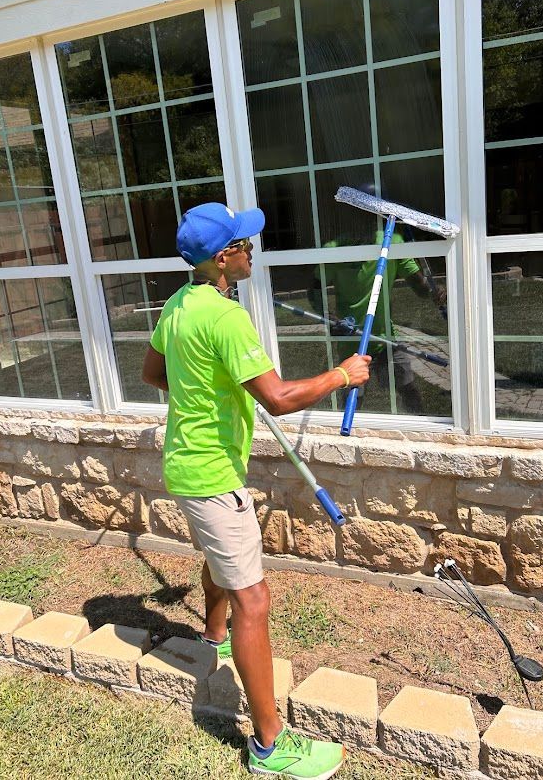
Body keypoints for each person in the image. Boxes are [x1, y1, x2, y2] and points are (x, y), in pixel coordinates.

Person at [142, 202, 370, 780]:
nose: (252, 253)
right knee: (255, 598)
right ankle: (270, 744)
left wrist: (207, 389)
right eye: (247, 246)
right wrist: (343, 375)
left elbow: (153, 373)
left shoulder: (179, 305)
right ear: (225, 258)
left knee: (222, 567)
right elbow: (280, 397)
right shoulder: (225, 319)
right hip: (212, 475)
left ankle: (213, 636)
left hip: (188, 465)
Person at [309, 228, 446, 413]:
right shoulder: (335, 249)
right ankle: (348, 436)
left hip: (387, 338)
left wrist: (433, 291)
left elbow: (420, 289)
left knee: (408, 388)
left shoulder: (393, 242)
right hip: (352, 341)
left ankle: (420, 420)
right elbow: (314, 289)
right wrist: (329, 317)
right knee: (353, 399)